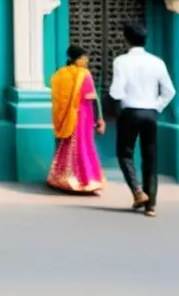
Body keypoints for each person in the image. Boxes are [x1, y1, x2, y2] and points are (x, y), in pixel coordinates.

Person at [109, 20, 175, 217]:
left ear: (126, 39)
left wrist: (115, 100)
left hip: (130, 112)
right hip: (150, 113)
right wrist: (156, 107)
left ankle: (138, 192)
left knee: (125, 154)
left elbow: (117, 89)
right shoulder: (157, 62)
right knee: (150, 157)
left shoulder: (121, 61)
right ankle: (151, 206)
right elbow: (169, 91)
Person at [47, 45, 106, 194]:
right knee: (82, 145)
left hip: (68, 117)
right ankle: (84, 180)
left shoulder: (60, 75)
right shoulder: (84, 74)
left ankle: (61, 178)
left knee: (69, 145)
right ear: (75, 59)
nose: (86, 60)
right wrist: (100, 118)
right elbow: (93, 98)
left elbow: (58, 99)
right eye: (83, 57)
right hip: (83, 116)